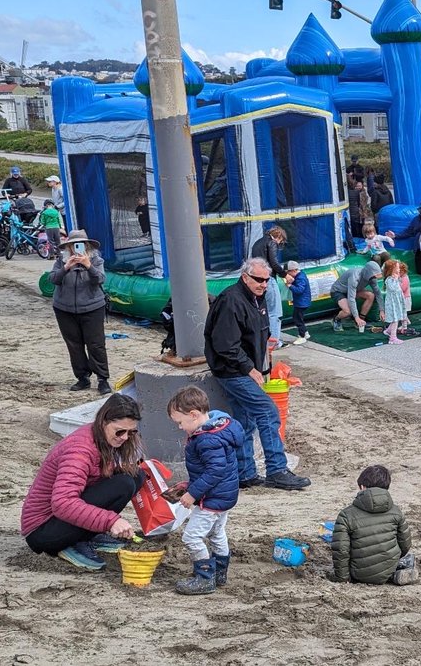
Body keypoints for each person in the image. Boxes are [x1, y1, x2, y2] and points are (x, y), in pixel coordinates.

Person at [204, 258, 310, 491]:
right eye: (259, 280)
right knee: (267, 412)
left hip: (243, 367)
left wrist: (264, 363)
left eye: (266, 280)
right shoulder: (231, 301)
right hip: (232, 370)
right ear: (245, 277)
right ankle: (276, 469)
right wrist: (250, 368)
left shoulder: (254, 298)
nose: (263, 284)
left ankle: (245, 472)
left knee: (245, 419)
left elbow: (257, 335)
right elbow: (225, 345)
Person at [21, 393, 143, 571]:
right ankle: (72, 543)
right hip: (42, 530)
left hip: (58, 519)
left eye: (131, 432)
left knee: (135, 476)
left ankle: (87, 535)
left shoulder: (102, 439)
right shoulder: (79, 450)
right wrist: (110, 521)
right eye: (120, 431)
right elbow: (63, 503)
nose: (125, 437)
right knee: (123, 484)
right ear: (103, 422)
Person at [167, 386, 245, 595]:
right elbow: (213, 470)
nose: (180, 427)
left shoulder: (206, 439)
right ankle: (220, 572)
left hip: (212, 499)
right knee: (217, 533)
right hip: (224, 495)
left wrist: (193, 494)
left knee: (191, 537)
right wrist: (189, 485)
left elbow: (214, 471)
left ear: (193, 415)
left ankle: (204, 578)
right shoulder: (218, 427)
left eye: (180, 422)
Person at [330, 464, 414, 585]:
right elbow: (405, 544)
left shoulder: (346, 515)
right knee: (408, 558)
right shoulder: (396, 511)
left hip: (359, 574)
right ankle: (395, 574)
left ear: (363, 487)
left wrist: (343, 578)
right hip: (389, 567)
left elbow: (341, 551)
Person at [50, 229, 111, 395]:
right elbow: (53, 279)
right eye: (73, 245)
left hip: (92, 307)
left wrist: (88, 265)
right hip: (64, 309)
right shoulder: (61, 261)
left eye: (81, 245)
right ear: (68, 247)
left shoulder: (96, 260)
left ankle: (102, 379)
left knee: (96, 344)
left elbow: (100, 279)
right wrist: (66, 267)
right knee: (74, 345)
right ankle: (82, 378)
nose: (76, 248)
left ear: (87, 246)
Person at [251, 226, 288, 347]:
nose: (279, 244)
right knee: (275, 312)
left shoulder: (257, 243)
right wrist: (285, 275)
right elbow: (274, 263)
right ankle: (274, 342)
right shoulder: (271, 243)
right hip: (269, 279)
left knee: (263, 311)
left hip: (257, 280)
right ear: (279, 236)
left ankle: (263, 340)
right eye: (280, 241)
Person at [330, 260, 384, 332]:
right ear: (368, 273)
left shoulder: (371, 278)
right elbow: (351, 298)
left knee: (371, 296)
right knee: (347, 311)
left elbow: (378, 293)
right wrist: (356, 317)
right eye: (374, 276)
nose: (375, 278)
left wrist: (382, 310)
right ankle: (336, 319)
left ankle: (361, 320)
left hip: (353, 291)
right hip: (338, 291)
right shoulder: (355, 277)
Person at [381, 258, 408, 344]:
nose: (399, 269)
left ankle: (388, 331)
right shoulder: (389, 279)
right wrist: (396, 279)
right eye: (397, 268)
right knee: (395, 319)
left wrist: (397, 278)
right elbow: (393, 289)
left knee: (397, 317)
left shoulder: (396, 278)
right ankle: (392, 338)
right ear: (392, 269)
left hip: (397, 301)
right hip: (392, 302)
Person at [285, 261, 311, 345]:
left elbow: (299, 290)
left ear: (294, 271)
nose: (287, 275)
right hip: (300, 302)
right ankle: (305, 333)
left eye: (288, 272)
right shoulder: (300, 276)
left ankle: (302, 336)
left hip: (302, 303)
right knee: (298, 317)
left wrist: (290, 286)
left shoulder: (300, 278)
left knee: (297, 319)